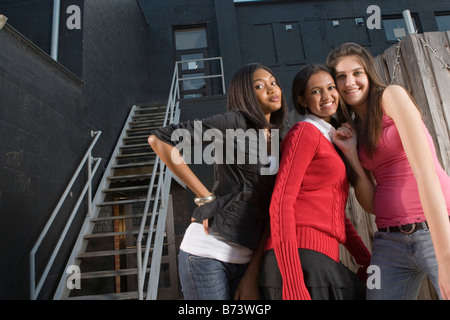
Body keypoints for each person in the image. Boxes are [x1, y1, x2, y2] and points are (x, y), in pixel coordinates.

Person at [147, 63, 288, 300]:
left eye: (273, 83)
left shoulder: (276, 139)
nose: (271, 89)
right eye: (259, 86)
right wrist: (205, 197)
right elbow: (159, 140)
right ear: (246, 94)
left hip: (246, 260)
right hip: (206, 253)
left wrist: (252, 275)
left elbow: (270, 211)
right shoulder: (235, 121)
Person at [326, 42, 450, 300]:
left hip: (436, 228)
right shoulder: (354, 129)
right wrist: (351, 154)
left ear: (368, 74)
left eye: (357, 72)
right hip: (389, 241)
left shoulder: (391, 96)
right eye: (341, 76)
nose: (350, 82)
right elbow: (371, 204)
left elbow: (425, 172)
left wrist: (446, 256)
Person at [259, 64, 371, 300]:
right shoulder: (304, 133)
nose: (327, 96)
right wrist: (292, 282)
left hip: (321, 257)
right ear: (302, 99)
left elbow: (336, 214)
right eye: (316, 91)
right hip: (298, 259)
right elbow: (280, 202)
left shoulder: (327, 138)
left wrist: (366, 261)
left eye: (331, 88)